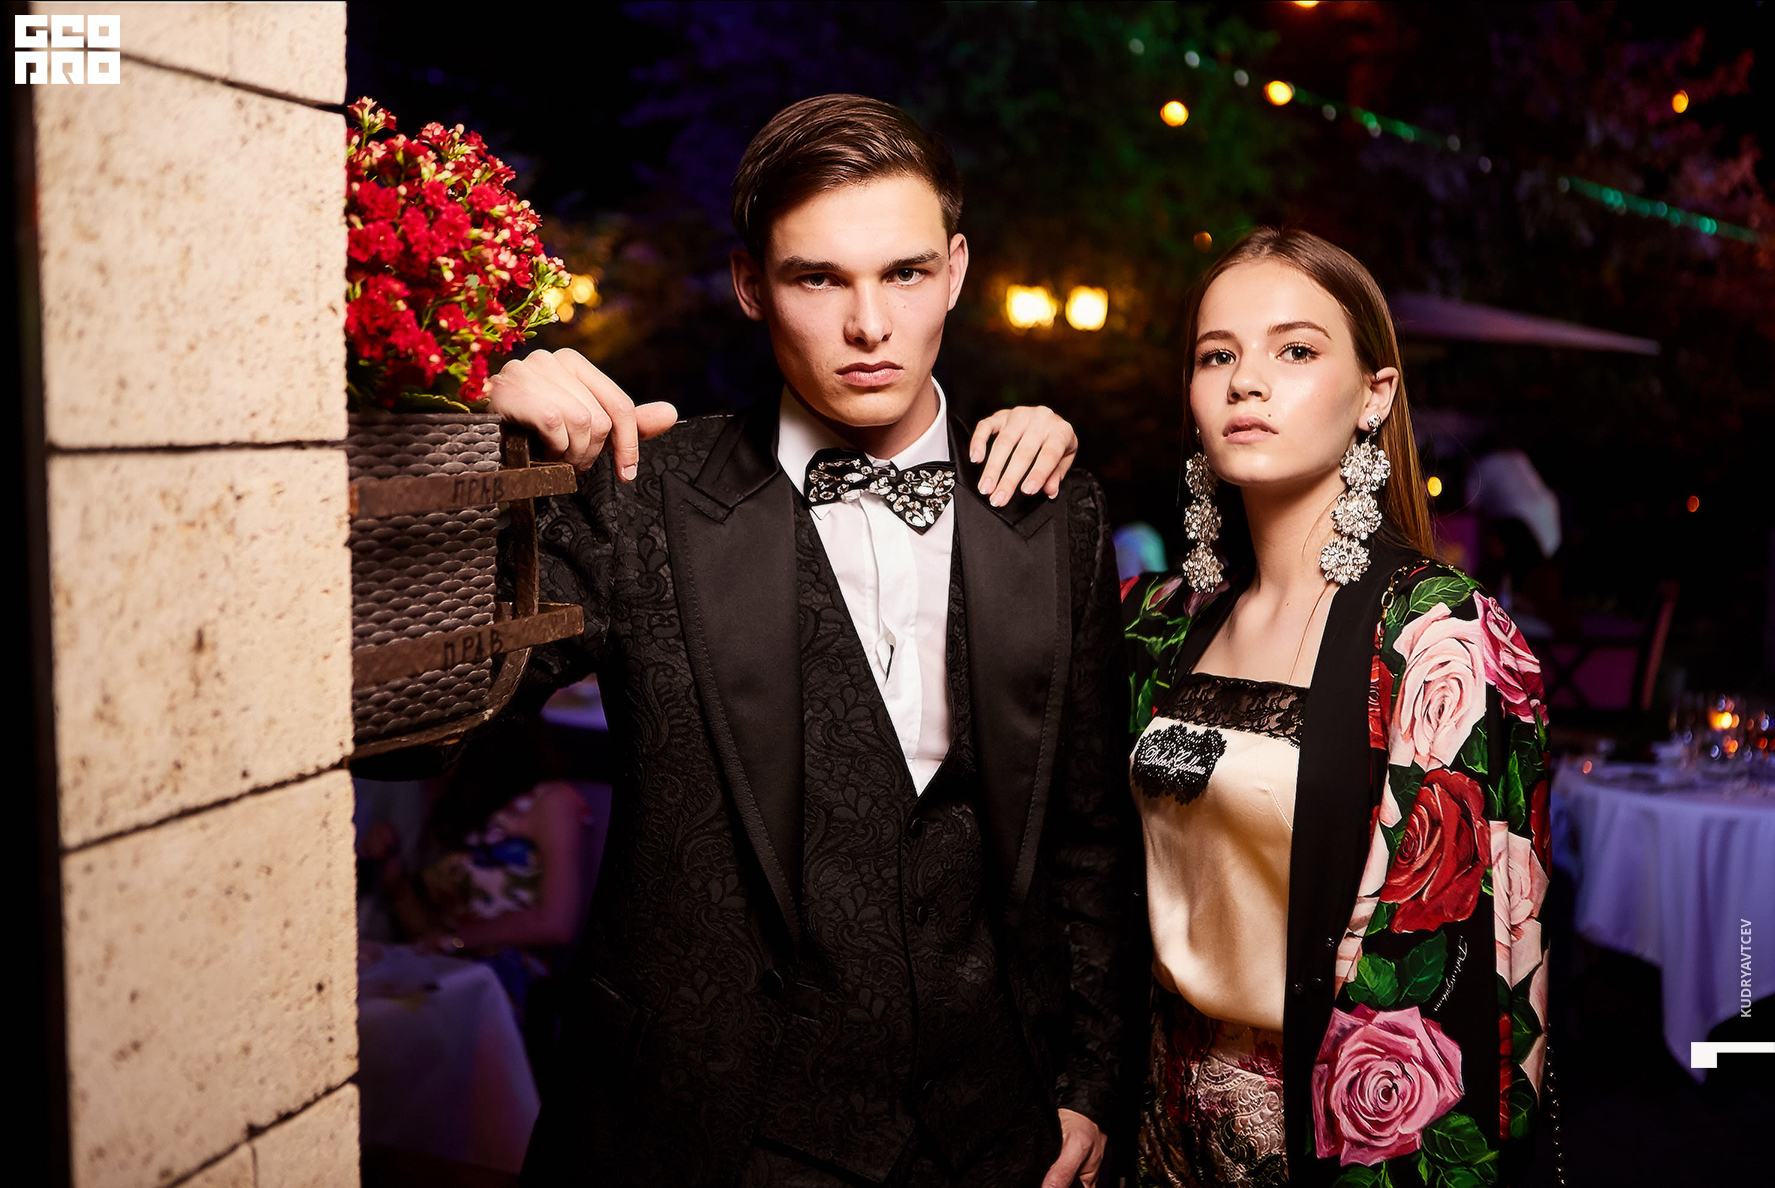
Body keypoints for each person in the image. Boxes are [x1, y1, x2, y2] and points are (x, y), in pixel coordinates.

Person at [472, 94, 1143, 1187]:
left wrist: (1090, 1083)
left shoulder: (1048, 509)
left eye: (904, 273)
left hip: (987, 1133)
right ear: (751, 285)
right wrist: (469, 437)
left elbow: (1087, 834)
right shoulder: (644, 493)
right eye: (818, 279)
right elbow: (424, 725)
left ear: (956, 271)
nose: (869, 325)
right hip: (707, 1132)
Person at [1120, 228, 1552, 1188]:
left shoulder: (1437, 638)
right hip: (1153, 1128)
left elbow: (1444, 978)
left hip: (1333, 1145)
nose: (1246, 382)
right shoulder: (1159, 623)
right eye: (1216, 356)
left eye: (1295, 350)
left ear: (1374, 395)